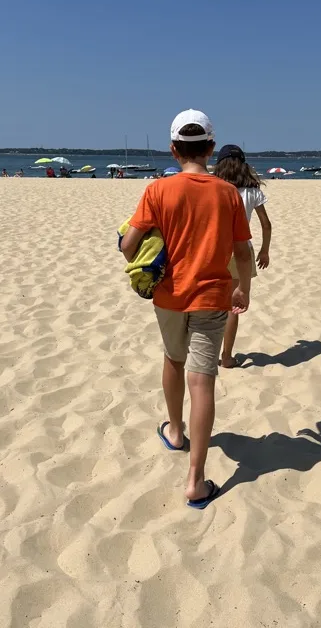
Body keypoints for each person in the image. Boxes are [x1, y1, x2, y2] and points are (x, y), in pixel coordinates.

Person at [119, 110, 252, 509]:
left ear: (173, 149)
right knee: (203, 382)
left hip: (169, 296)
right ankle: (195, 480)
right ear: (211, 148)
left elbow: (128, 247)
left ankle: (175, 431)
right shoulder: (226, 193)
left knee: (173, 361)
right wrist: (242, 289)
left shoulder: (158, 191)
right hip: (213, 297)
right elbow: (242, 251)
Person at [212, 145, 272, 369]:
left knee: (209, 302)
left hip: (214, 249)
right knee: (233, 306)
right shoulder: (252, 190)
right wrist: (265, 250)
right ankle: (226, 357)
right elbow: (266, 225)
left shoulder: (214, 187)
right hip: (240, 250)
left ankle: (206, 353)